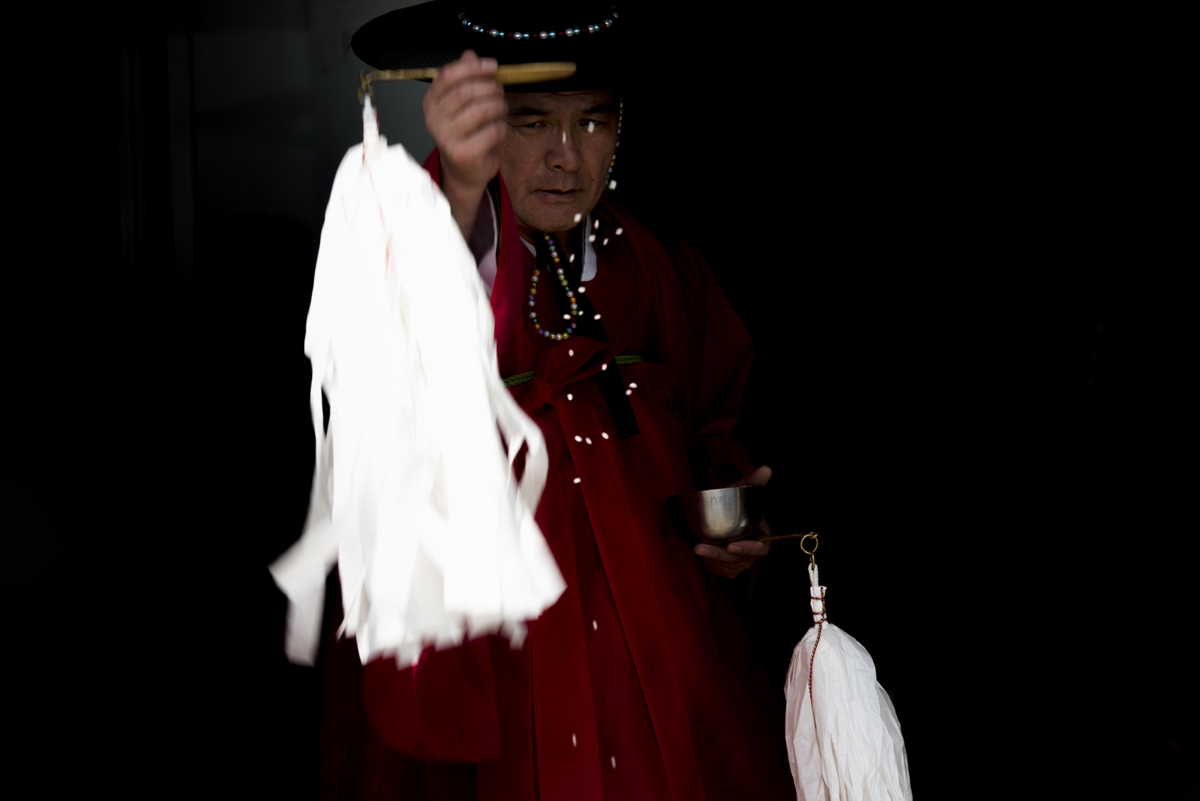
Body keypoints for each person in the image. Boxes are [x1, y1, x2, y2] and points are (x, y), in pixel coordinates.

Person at [316, 3, 796, 799]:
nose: (565, 156)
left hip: (655, 666)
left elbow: (716, 417)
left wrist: (729, 508)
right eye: (530, 121)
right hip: (487, 663)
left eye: (593, 123)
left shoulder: (660, 268)